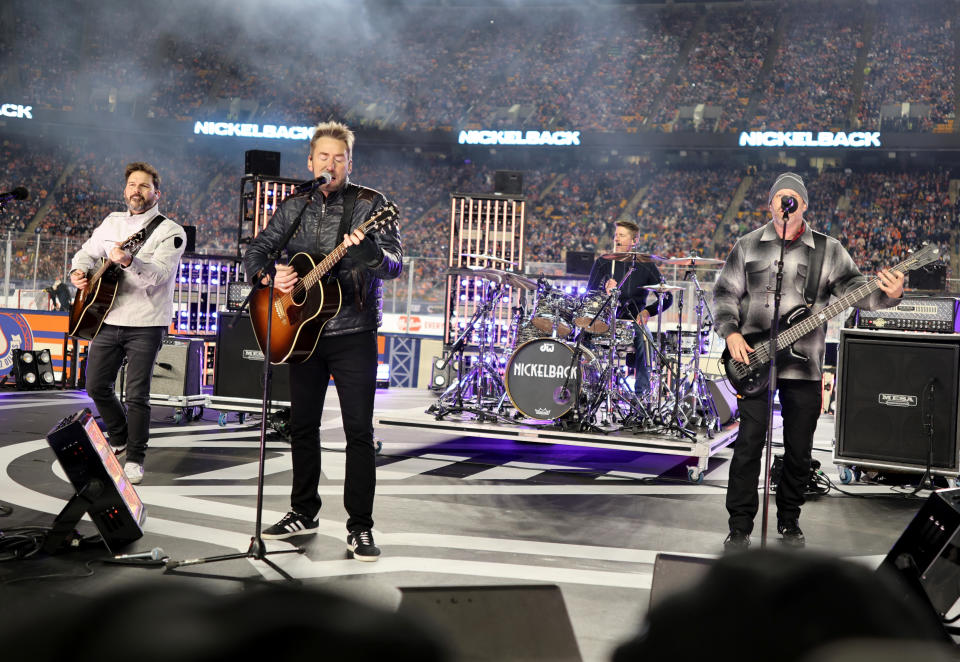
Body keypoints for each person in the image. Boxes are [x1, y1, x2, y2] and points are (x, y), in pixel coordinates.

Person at [713, 172, 903, 550]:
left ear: (804, 206)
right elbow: (724, 293)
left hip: (805, 365)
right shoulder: (748, 245)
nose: (786, 205)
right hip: (753, 361)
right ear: (770, 205)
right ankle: (739, 524)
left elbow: (856, 290)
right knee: (749, 444)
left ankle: (789, 519)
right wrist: (731, 332)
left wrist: (888, 296)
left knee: (799, 448)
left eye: (793, 199)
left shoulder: (828, 250)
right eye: (779, 198)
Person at [243, 121, 402, 562]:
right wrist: (269, 275)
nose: (331, 164)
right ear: (310, 162)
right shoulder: (296, 203)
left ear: (350, 162)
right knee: (301, 426)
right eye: (323, 157)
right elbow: (257, 251)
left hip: (353, 332)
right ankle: (302, 509)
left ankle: (360, 527)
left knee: (358, 433)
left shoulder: (372, 204)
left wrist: (366, 251)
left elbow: (393, 265)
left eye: (340, 158)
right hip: (301, 331)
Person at [69, 162, 186, 485]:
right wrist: (78, 273)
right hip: (108, 317)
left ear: (156, 193)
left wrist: (130, 261)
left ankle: (135, 457)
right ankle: (119, 438)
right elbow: (85, 254)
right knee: (96, 386)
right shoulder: (111, 222)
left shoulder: (170, 231)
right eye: (133, 185)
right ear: (125, 190)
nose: (137, 190)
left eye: (144, 186)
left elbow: (159, 276)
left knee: (137, 394)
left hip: (147, 322)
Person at [585, 219, 672, 394]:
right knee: (582, 334)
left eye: (622, 236)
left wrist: (648, 311)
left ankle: (642, 394)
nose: (617, 239)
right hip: (606, 319)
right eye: (616, 235)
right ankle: (587, 387)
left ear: (634, 241)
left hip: (633, 322)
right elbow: (589, 295)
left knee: (645, 338)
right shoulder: (604, 262)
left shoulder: (646, 265)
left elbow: (667, 297)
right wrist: (604, 290)